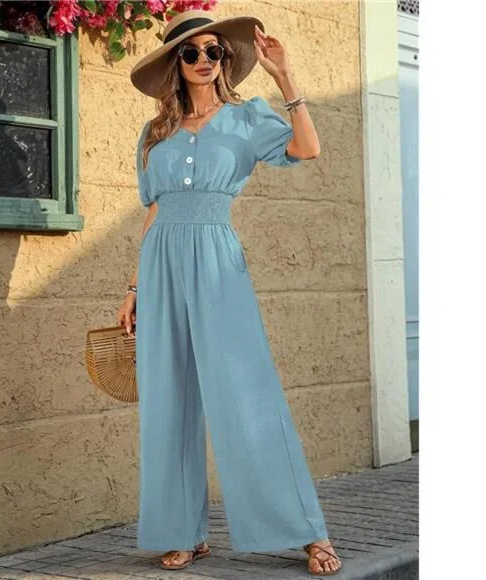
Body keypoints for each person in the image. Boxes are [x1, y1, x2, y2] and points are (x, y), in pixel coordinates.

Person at [118, 9, 342, 577]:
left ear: (225, 60)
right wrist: (134, 287)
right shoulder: (154, 133)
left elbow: (308, 149)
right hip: (161, 263)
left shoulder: (247, 118)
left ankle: (306, 531)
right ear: (176, 63)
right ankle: (182, 533)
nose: (203, 61)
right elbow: (154, 209)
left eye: (213, 51)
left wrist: (285, 78)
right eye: (191, 52)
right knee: (168, 400)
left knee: (247, 392)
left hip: (217, 259)